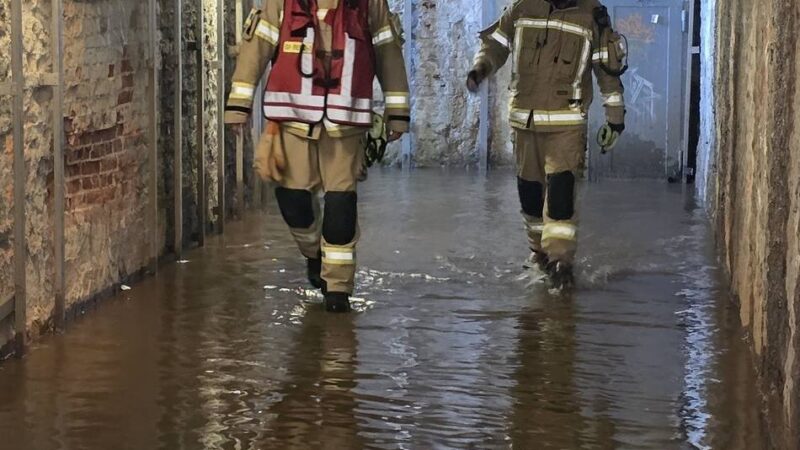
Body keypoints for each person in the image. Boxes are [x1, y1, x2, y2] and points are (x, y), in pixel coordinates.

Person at [225, 0, 410, 312]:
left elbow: (388, 52)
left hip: (345, 123)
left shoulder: (371, 4)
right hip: (293, 120)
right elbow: (257, 46)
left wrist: (398, 113)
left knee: (341, 205)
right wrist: (238, 106)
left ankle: (338, 290)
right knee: (293, 202)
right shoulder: (281, 2)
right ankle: (314, 254)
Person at [467, 0, 627, 289]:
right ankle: (539, 253)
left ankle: (561, 263)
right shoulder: (522, 8)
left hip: (566, 123)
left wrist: (615, 119)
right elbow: (496, 45)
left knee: (561, 196)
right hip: (525, 122)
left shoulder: (592, 16)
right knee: (529, 195)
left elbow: (607, 72)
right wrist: (481, 68)